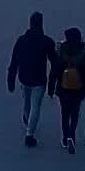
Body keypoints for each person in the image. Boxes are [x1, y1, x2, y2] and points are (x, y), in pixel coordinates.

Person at [6, 11, 59, 147]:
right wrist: (52, 85)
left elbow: (14, 61)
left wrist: (11, 79)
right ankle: (30, 134)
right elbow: (55, 63)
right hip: (39, 79)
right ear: (41, 25)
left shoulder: (21, 40)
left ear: (30, 24)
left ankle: (25, 115)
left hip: (24, 77)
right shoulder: (47, 42)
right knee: (36, 106)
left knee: (27, 100)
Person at [50, 27, 85, 153]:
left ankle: (65, 138)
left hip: (63, 88)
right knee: (74, 113)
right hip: (78, 89)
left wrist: (51, 87)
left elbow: (55, 70)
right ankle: (72, 135)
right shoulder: (84, 51)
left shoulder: (61, 50)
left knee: (64, 113)